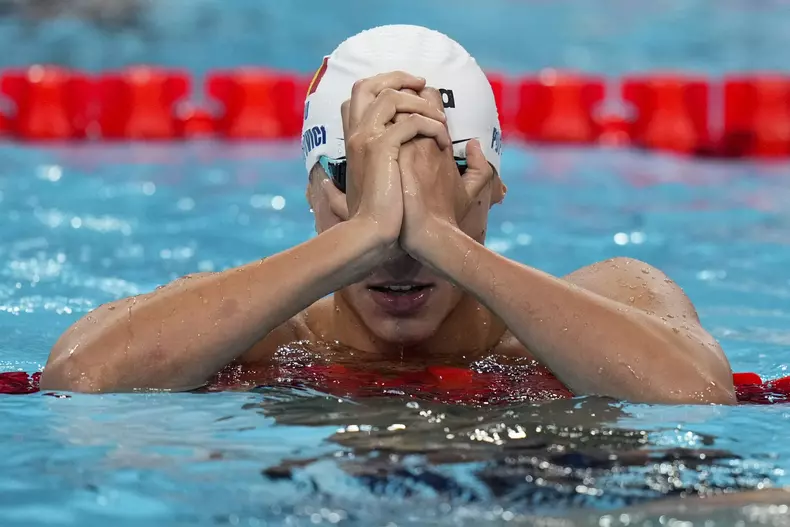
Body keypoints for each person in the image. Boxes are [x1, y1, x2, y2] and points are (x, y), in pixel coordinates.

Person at [40, 24, 735, 404]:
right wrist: (363, 236)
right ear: (312, 191)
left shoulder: (609, 297)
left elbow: (700, 393)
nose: (401, 232)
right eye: (357, 181)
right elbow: (77, 378)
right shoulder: (245, 326)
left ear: (493, 187)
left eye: (443, 174)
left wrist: (444, 240)